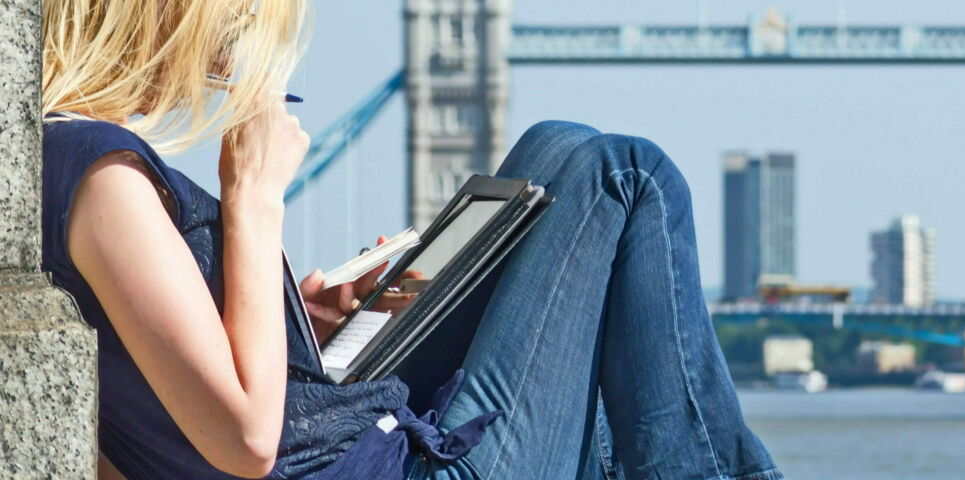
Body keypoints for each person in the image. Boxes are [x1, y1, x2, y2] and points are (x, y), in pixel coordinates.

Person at [38, 0, 779, 478]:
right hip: (394, 470)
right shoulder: (105, 176)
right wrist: (256, 200)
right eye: (231, 31)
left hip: (357, 427)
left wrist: (290, 320)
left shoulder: (60, 167)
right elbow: (244, 443)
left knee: (553, 153)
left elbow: (134, 422)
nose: (221, 71)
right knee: (621, 174)